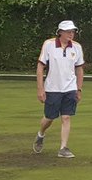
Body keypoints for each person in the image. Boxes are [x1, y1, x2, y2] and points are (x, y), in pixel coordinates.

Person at [33, 20, 84, 158]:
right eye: (68, 32)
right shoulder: (48, 44)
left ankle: (63, 148)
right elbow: (40, 67)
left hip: (70, 88)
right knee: (49, 118)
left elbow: (79, 69)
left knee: (66, 117)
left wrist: (79, 89)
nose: (71, 34)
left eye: (73, 32)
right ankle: (41, 134)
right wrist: (40, 89)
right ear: (60, 32)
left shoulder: (77, 47)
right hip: (52, 88)